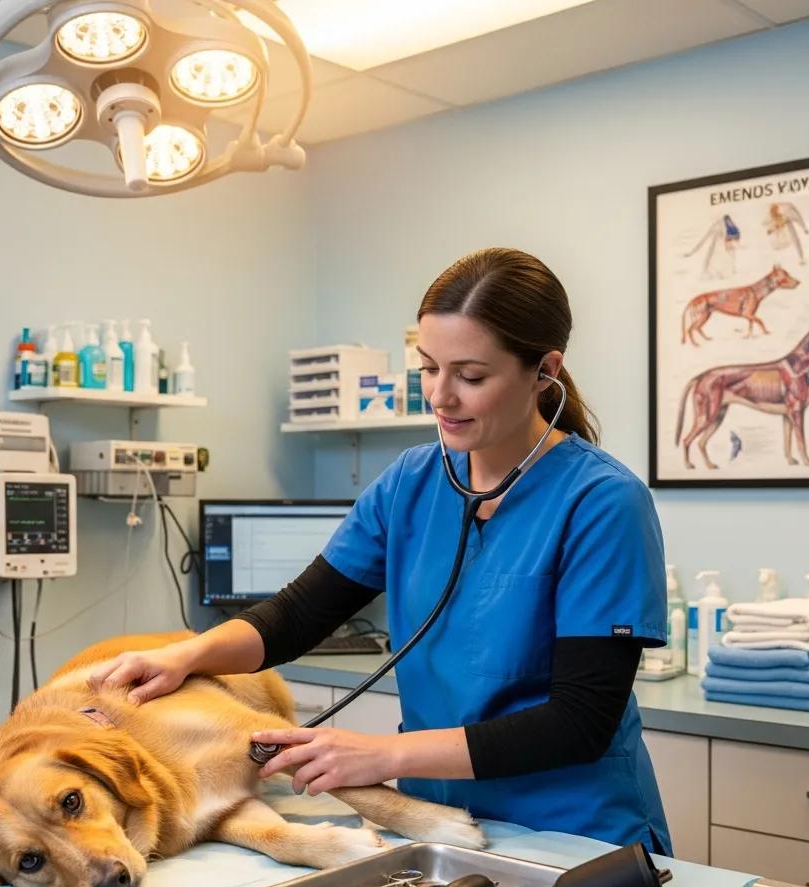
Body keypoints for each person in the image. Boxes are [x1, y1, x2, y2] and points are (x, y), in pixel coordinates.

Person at [88, 248, 672, 854]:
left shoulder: (602, 502)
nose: (440, 396)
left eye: (471, 376)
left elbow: (579, 722)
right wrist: (187, 656)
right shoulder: (412, 482)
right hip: (440, 820)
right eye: (428, 368)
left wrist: (379, 755)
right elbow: (298, 615)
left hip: (576, 832)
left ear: (545, 370)